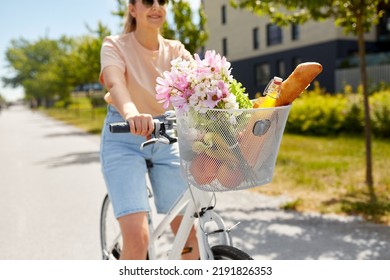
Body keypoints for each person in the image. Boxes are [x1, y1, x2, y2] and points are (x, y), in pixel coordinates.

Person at [99, 0, 199, 260]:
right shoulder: (114, 45)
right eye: (147, 1)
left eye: (162, 1)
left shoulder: (176, 50)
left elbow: (202, 84)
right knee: (138, 239)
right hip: (125, 136)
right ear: (133, 9)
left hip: (166, 135)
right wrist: (131, 114)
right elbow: (114, 82)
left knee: (189, 236)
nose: (156, 6)